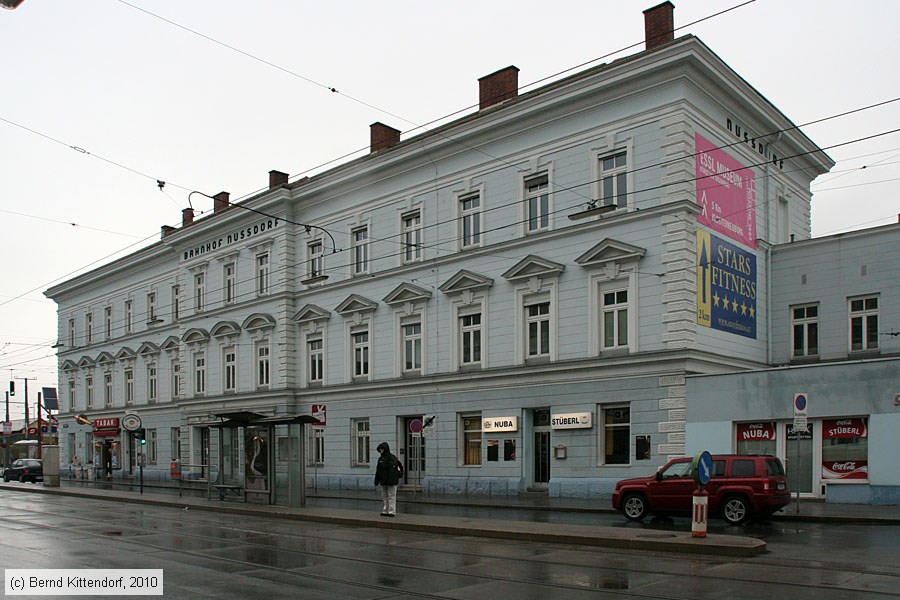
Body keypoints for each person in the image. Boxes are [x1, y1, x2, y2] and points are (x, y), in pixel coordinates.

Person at [373, 442, 403, 517]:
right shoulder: (380, 459)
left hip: (391, 481)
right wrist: (376, 480)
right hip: (383, 480)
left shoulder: (392, 458)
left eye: (382, 449)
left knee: (391, 496)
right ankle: (385, 510)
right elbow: (378, 470)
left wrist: (392, 479)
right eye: (380, 449)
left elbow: (394, 469)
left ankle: (391, 511)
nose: (381, 450)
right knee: (385, 496)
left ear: (385, 449)